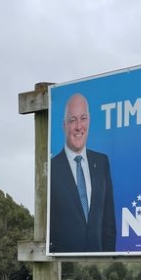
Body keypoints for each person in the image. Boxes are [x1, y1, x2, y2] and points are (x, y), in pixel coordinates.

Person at [49, 93, 116, 253]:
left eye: (83, 118)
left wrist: (108, 261)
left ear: (89, 120)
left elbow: (109, 224)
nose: (79, 126)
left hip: (99, 264)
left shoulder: (101, 163)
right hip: (64, 266)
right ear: (64, 125)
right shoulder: (51, 169)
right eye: (73, 120)